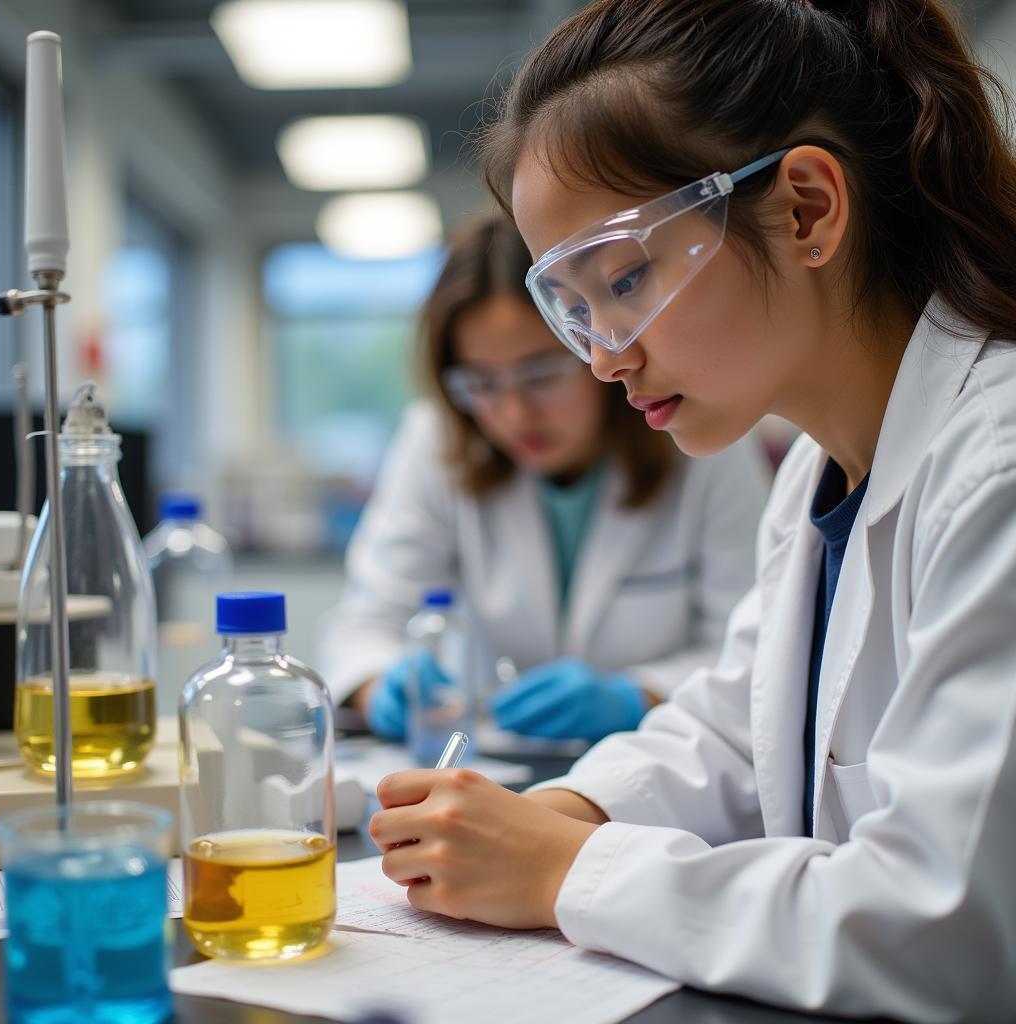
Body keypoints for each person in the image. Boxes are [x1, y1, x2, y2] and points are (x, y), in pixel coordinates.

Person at [368, 1, 1016, 1019]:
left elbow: (944, 928)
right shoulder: (817, 468)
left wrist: (566, 869)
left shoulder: (997, 469)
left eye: (624, 277)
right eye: (573, 305)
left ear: (803, 208)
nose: (602, 355)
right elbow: (736, 728)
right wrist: (557, 810)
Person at [320, 213, 770, 743]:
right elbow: (365, 624)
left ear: (595, 347)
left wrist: (637, 695)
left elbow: (757, 650)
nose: (513, 415)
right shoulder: (438, 439)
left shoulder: (704, 440)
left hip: (669, 757)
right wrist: (382, 687)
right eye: (481, 382)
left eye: (541, 374)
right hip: (497, 766)